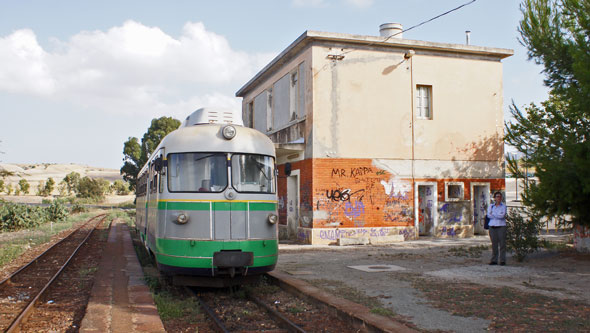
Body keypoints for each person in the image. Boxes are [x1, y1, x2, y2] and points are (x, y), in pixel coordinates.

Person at [487, 191, 507, 265]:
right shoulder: (491, 206)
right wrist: (497, 215)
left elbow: (502, 216)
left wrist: (494, 214)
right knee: (494, 244)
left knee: (502, 244)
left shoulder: (503, 206)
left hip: (501, 226)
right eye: (497, 196)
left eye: (500, 196)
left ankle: (502, 260)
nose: (499, 198)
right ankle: (494, 259)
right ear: (494, 198)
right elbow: (489, 215)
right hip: (492, 226)